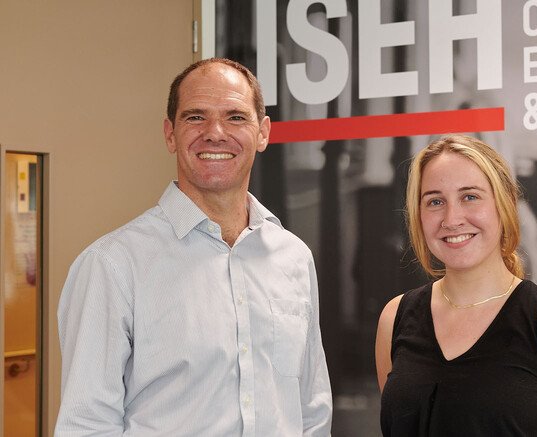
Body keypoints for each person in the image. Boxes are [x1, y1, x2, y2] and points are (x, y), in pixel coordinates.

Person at [55, 58, 332, 436]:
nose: (215, 133)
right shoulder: (112, 265)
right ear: (170, 134)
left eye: (235, 117)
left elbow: (311, 411)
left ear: (263, 133)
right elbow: (85, 425)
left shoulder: (294, 257)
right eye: (195, 117)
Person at [375, 134, 537, 436]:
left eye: (470, 196)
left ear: (504, 205)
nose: (452, 218)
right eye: (435, 201)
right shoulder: (395, 318)